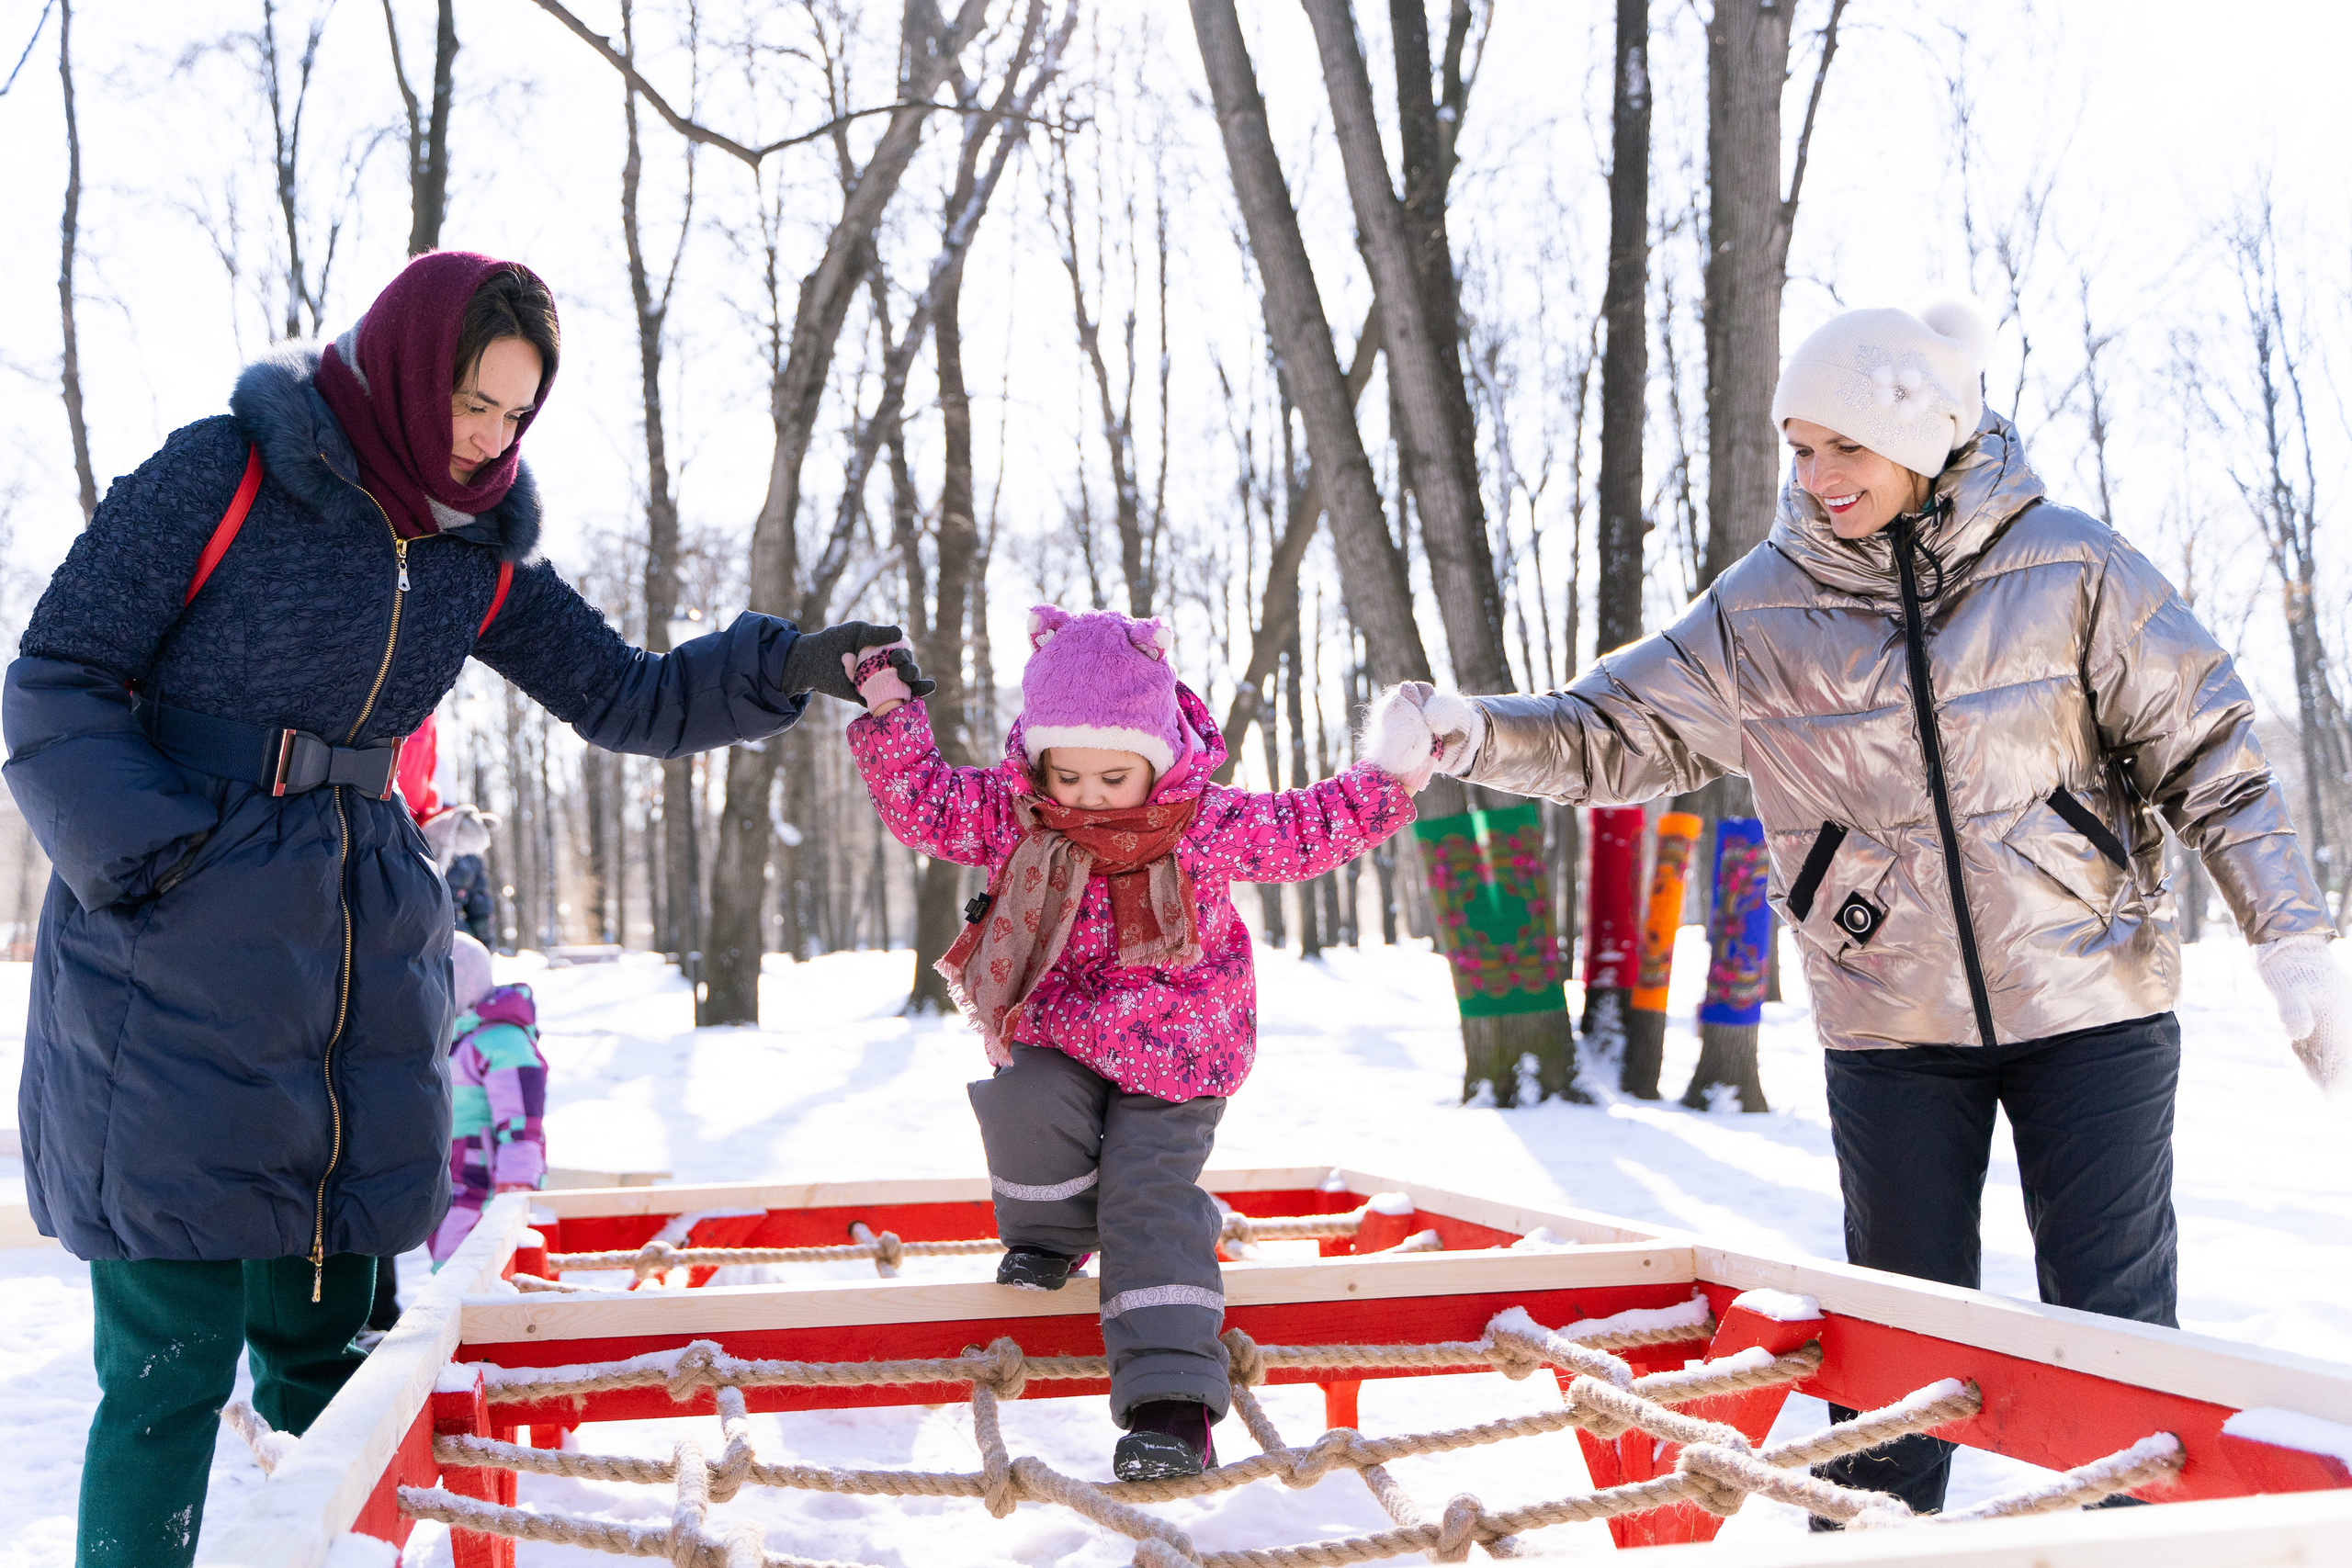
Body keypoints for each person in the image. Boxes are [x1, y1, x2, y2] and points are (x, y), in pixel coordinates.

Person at [3, 249, 927, 1567]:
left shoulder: (471, 555)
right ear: (401, 366)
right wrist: (159, 863)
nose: (487, 439)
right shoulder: (222, 473)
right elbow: (54, 681)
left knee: (341, 1375)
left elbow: (630, 693)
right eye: (470, 403)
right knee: (169, 1371)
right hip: (170, 984)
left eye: (512, 416)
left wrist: (789, 661)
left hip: (350, 979)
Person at [1372, 299, 2352, 1519]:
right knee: (1893, 1351)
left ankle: (2134, 1549)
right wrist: (1473, 729)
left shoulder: (2073, 567)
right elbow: (1608, 731)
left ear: (1927, 437)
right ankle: (1869, 1544)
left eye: (1847, 446)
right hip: (1890, 1021)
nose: (1819, 475)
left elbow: (2216, 754)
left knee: (2116, 1336)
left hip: (2092, 1001)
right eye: (1801, 446)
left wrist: (2291, 935)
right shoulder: (1761, 608)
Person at [845, 606, 1419, 1480]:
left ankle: (1171, 1404)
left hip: (1179, 1056)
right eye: (1066, 774)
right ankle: (1052, 1230)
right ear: (1036, 760)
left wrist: (1390, 776)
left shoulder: (1198, 823)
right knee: (1021, 1098)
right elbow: (927, 805)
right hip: (1064, 1033)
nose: (1087, 798)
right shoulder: (1020, 817)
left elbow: (1302, 830)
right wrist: (892, 713)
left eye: (1115, 776)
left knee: (1146, 1200)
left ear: (1156, 759)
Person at [430, 933, 547, 1265]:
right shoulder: (457, 1036)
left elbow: (523, 1125)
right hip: (450, 1178)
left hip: (485, 1182)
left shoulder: (501, 1042)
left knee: (468, 1266)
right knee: (449, 1262)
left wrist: (515, 1186)